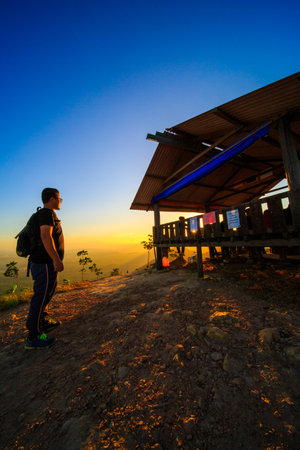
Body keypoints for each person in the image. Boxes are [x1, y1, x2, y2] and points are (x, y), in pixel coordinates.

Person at [25, 188, 64, 349]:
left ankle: (43, 322)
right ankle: (33, 336)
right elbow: (45, 236)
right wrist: (56, 260)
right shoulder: (47, 214)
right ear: (51, 198)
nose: (61, 201)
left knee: (47, 293)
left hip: (43, 263)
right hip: (44, 263)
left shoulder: (45, 214)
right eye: (59, 198)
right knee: (41, 296)